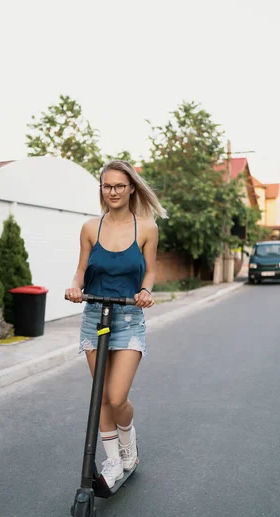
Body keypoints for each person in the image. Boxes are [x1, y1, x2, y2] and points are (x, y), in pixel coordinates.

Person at [65, 160, 166, 488]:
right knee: (101, 396)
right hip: (94, 316)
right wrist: (75, 286)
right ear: (102, 190)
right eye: (107, 186)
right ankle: (112, 462)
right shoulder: (90, 228)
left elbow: (149, 270)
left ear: (131, 188)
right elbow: (81, 269)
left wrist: (146, 290)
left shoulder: (147, 227)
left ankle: (127, 442)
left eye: (119, 186)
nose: (113, 192)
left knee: (117, 397)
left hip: (128, 318)